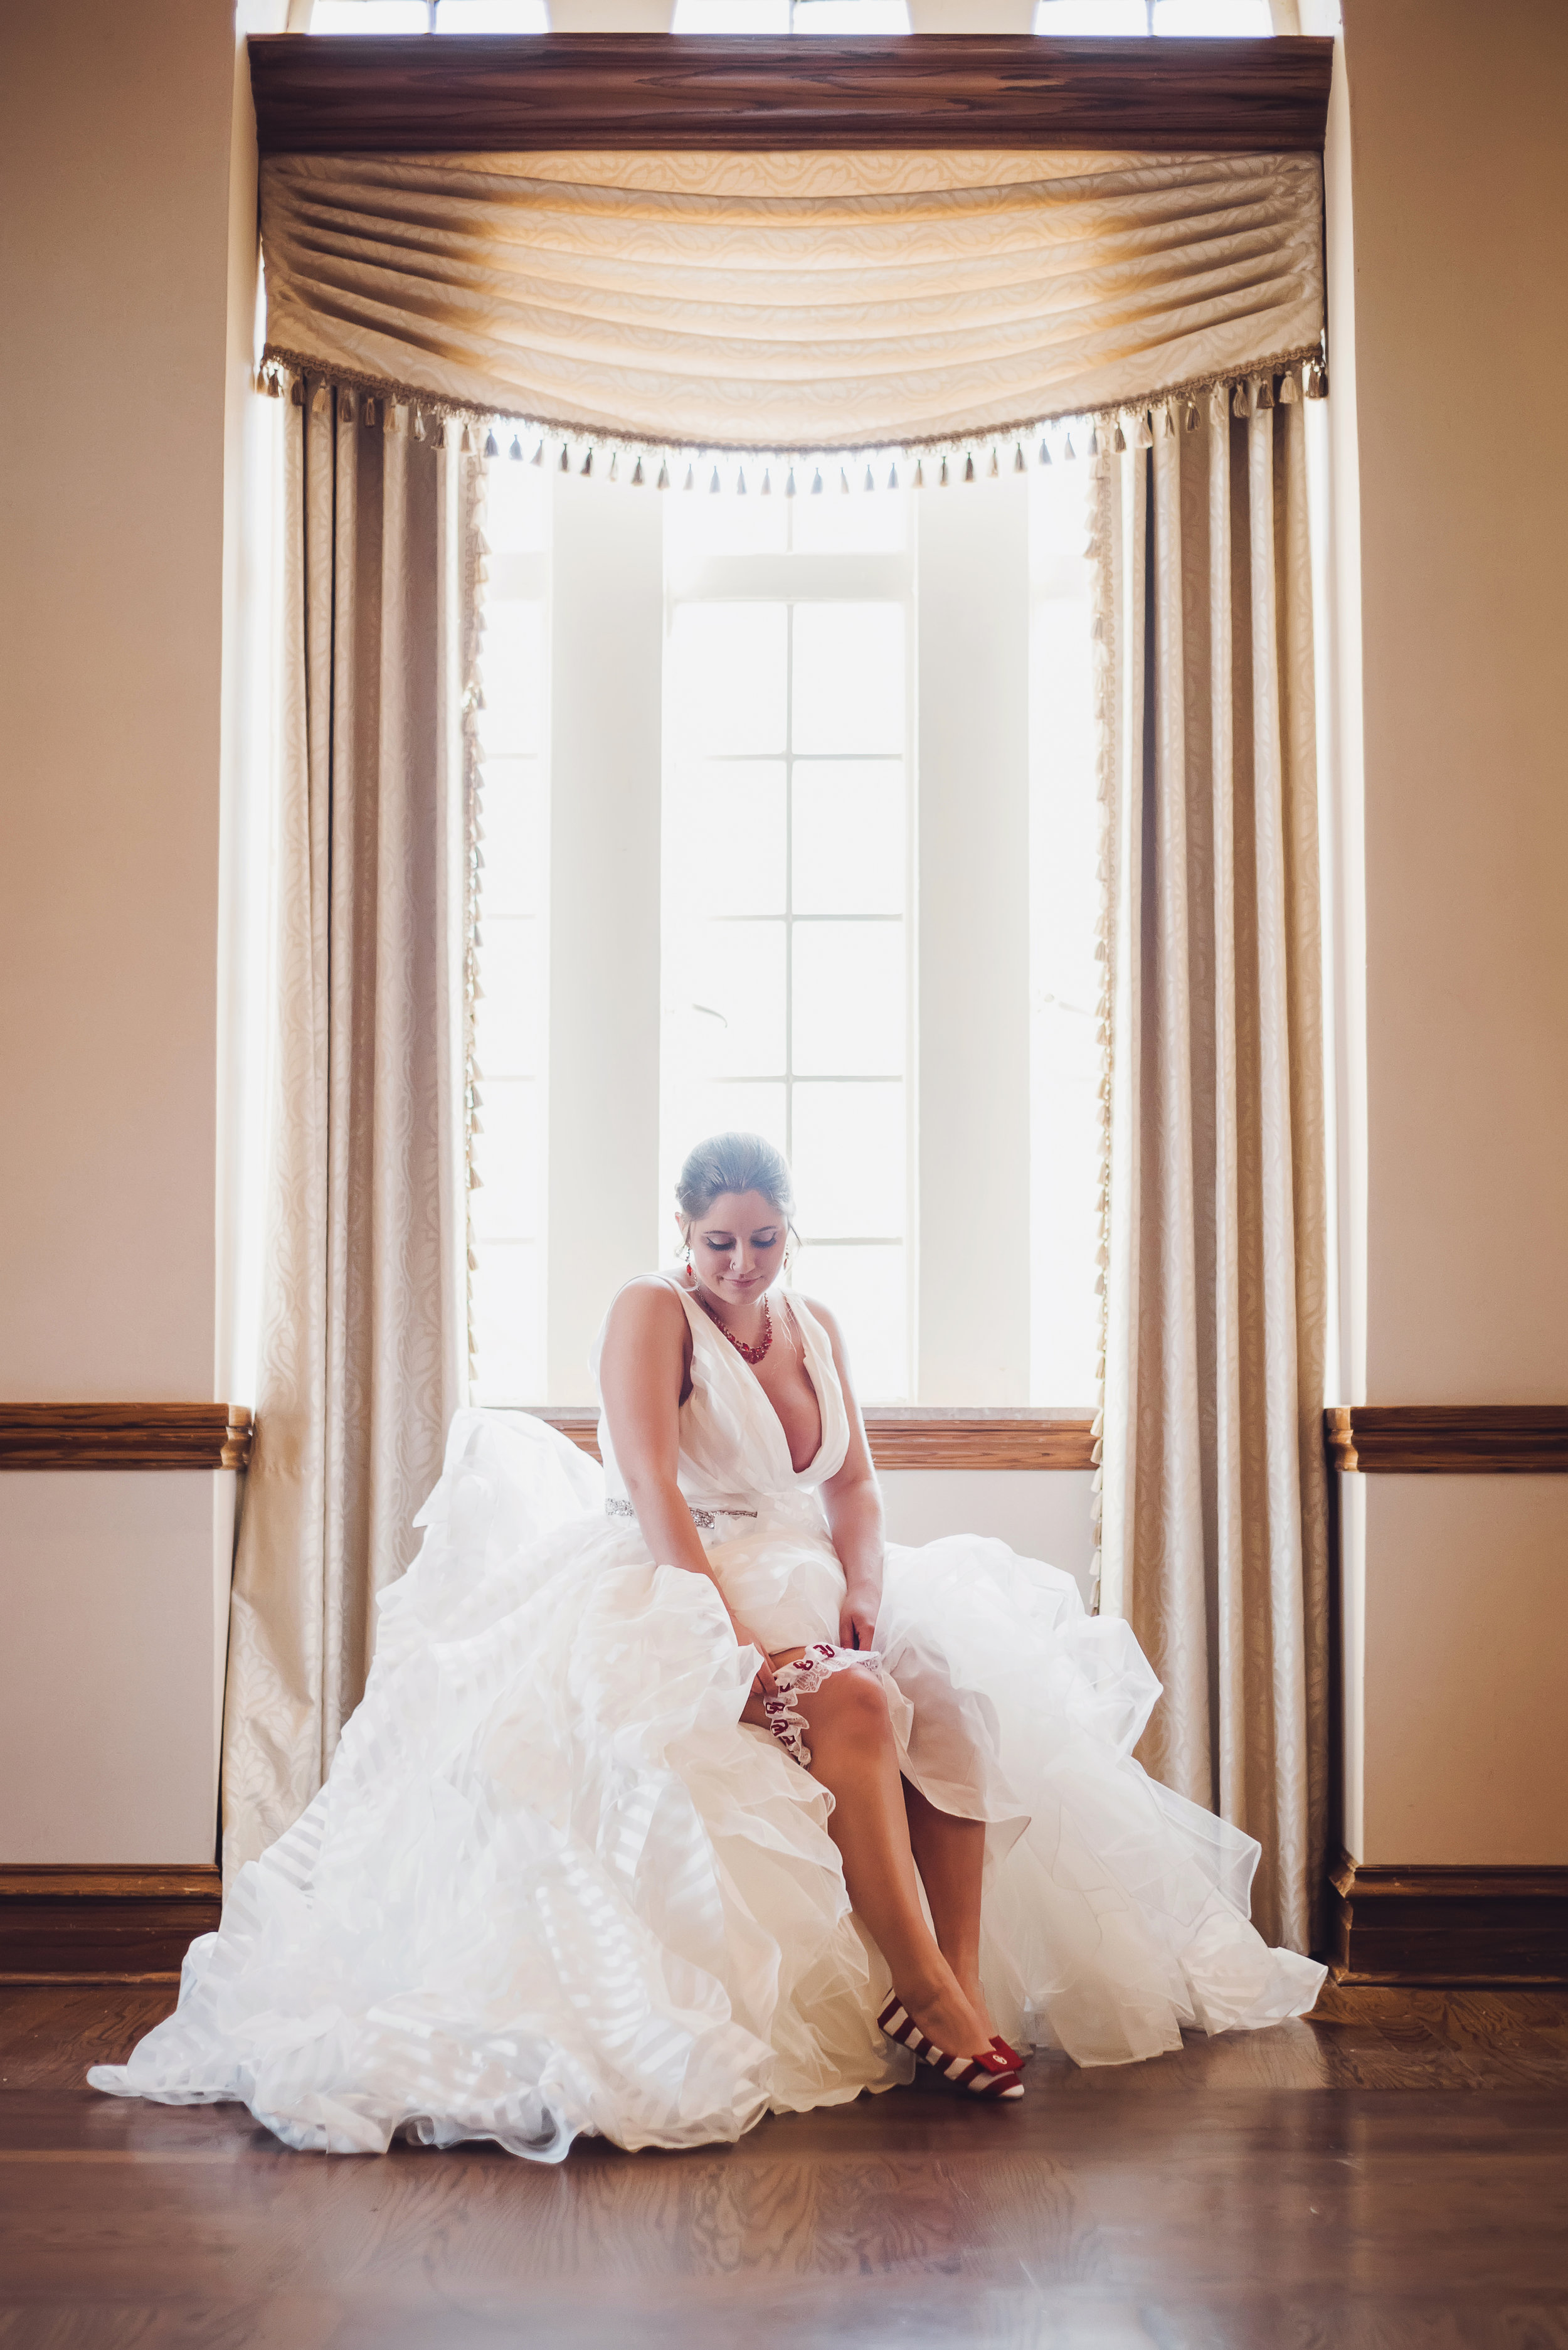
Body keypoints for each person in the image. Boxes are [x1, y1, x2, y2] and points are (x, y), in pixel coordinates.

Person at [91, 1132, 1324, 2156]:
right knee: (847, 1712)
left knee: (952, 1703)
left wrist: (861, 1591)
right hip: (679, 1581)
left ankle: (956, 1990)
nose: (739, 1261)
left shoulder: (817, 1325)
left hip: (806, 1569)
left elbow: (854, 1491)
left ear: (792, 1231)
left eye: (763, 1238)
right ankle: (921, 1987)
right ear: (681, 1232)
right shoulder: (652, 1313)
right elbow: (650, 1487)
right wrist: (731, 1643)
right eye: (717, 1239)